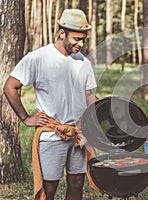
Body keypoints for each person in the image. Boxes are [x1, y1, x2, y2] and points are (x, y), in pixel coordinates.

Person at [3, 9, 98, 200]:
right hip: (52, 133)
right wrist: (25, 118)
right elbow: (10, 87)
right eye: (76, 38)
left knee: (77, 183)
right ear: (62, 33)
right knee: (49, 187)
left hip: (78, 133)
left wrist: (101, 114)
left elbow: (88, 95)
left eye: (83, 39)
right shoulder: (38, 58)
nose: (80, 44)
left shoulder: (83, 62)